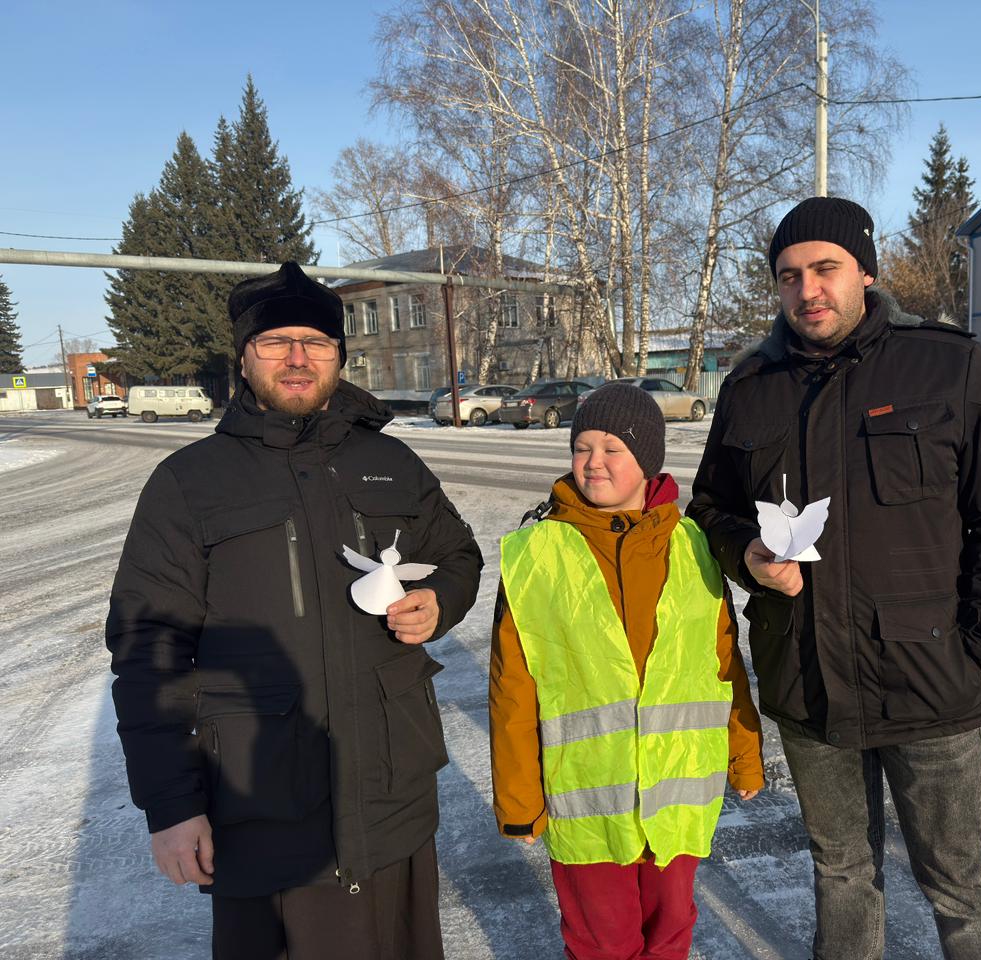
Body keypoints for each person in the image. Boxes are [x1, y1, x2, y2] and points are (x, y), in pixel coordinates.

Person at [687, 197, 981, 960]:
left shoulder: (947, 365)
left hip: (928, 681)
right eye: (788, 276)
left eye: (825, 269)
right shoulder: (751, 385)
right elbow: (712, 509)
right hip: (806, 682)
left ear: (865, 272)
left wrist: (979, 647)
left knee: (958, 884)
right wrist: (747, 557)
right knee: (842, 874)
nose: (807, 290)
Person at [106, 261, 483, 960]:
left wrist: (440, 600)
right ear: (244, 358)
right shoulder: (189, 482)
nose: (298, 358)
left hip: (392, 799)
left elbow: (458, 555)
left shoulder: (390, 461)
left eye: (316, 342)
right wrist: (172, 806)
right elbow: (147, 651)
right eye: (277, 341)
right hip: (262, 810)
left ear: (339, 356)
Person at [489, 382, 765, 960]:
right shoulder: (535, 553)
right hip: (586, 799)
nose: (594, 462)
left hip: (676, 792)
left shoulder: (692, 544)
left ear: (648, 460)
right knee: (601, 942)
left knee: (670, 933)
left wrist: (744, 755)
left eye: (612, 448)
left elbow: (721, 662)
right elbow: (512, 686)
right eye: (582, 447)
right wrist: (518, 800)